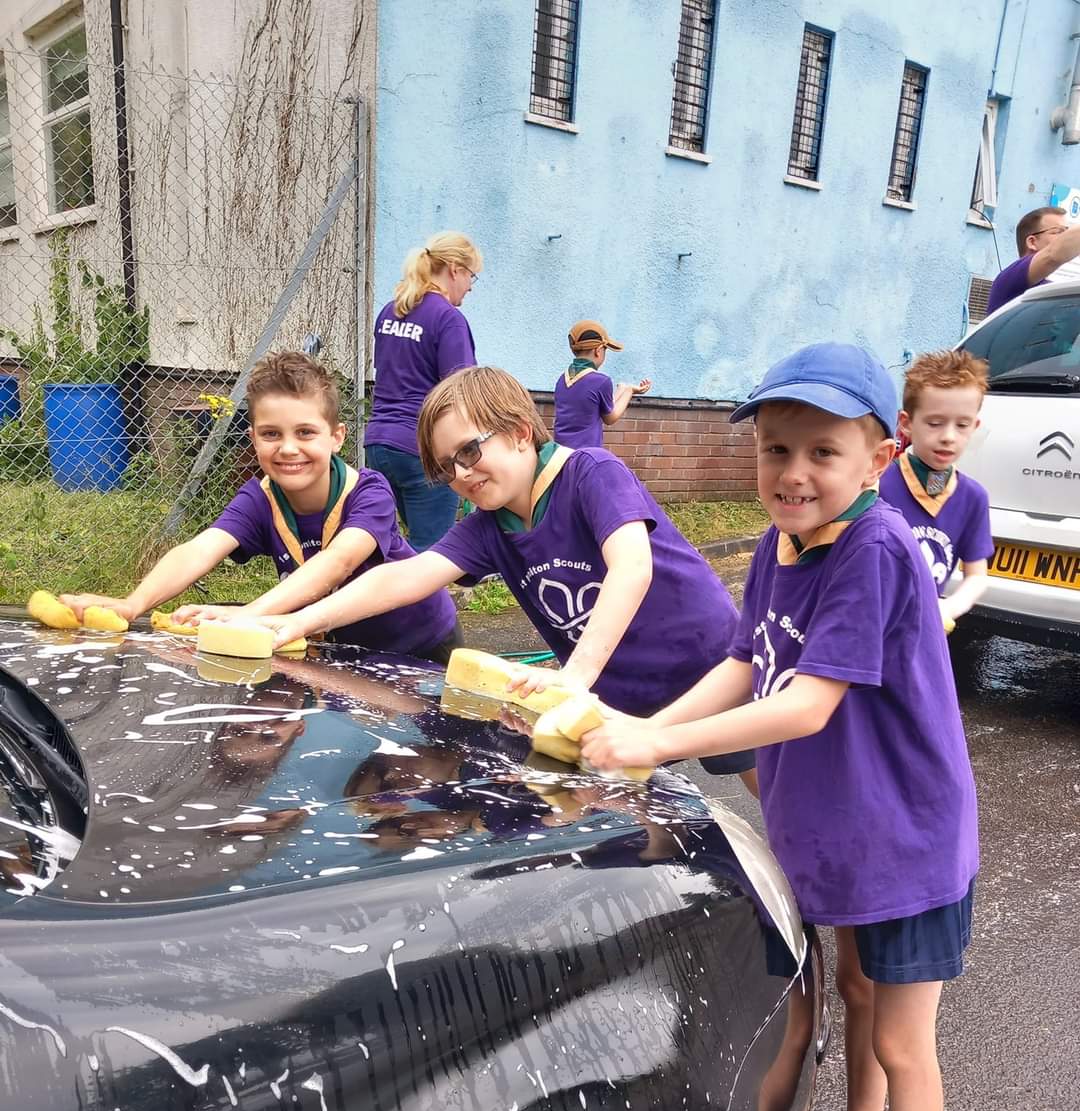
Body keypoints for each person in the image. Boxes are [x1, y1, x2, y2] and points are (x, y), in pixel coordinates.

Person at [579, 343, 979, 1111]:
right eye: (775, 450)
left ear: (878, 460)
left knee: (901, 1038)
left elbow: (803, 706)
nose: (793, 473)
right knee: (850, 986)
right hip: (841, 839)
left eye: (822, 454)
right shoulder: (780, 545)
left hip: (909, 844)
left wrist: (654, 739)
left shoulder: (872, 551)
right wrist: (653, 736)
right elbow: (745, 665)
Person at [255, 366, 753, 778]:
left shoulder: (591, 473)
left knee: (762, 784)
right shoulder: (489, 527)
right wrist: (300, 621)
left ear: (518, 431)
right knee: (635, 794)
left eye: (469, 452)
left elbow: (633, 566)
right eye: (447, 468)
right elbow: (403, 576)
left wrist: (575, 674)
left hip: (708, 668)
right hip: (617, 687)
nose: (461, 475)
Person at [60, 352, 460, 662]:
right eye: (271, 434)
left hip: (423, 642)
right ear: (253, 438)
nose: (288, 448)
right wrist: (135, 604)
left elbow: (336, 562)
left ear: (337, 437)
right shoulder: (260, 498)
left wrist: (247, 616)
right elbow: (201, 548)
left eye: (305, 432)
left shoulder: (369, 491)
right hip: (344, 644)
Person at [364, 231, 482, 549]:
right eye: (472, 276)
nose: (471, 286)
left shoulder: (390, 312)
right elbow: (460, 394)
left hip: (379, 444)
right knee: (432, 552)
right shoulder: (448, 319)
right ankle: (415, 601)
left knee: (390, 547)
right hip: (423, 450)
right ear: (455, 269)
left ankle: (381, 598)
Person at [880, 350, 993, 628]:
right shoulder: (876, 484)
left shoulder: (973, 498)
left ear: (975, 426)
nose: (948, 437)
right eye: (934, 423)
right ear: (906, 424)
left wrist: (947, 608)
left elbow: (977, 576)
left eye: (962, 425)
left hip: (924, 636)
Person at [553, 320, 651, 449]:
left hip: (560, 455)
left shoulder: (562, 380)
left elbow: (600, 407)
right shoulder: (601, 381)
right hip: (585, 456)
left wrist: (620, 390)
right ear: (598, 351)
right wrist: (629, 391)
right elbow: (610, 418)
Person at [984, 205, 1080, 315]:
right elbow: (1053, 254)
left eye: (1067, 231)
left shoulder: (1054, 291)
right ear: (1032, 242)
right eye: (1059, 231)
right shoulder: (1009, 280)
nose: (1065, 236)